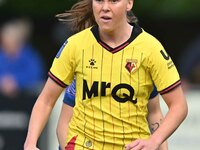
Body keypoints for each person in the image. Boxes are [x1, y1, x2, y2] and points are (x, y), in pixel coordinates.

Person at [24, 0, 188, 150]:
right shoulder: (75, 45)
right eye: (99, 0)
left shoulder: (150, 48)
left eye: (114, 1)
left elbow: (178, 106)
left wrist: (155, 140)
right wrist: (30, 143)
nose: (105, 7)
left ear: (129, 3)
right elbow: (46, 100)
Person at [57, 82, 168, 150]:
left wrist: (159, 144)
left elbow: (154, 113)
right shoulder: (83, 70)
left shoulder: (143, 62)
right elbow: (64, 124)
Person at [0, 18, 44, 98]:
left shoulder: (29, 55)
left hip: (25, 96)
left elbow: (36, 75)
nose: (6, 45)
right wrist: (3, 82)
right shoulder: (2, 54)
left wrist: (16, 81)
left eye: (10, 42)